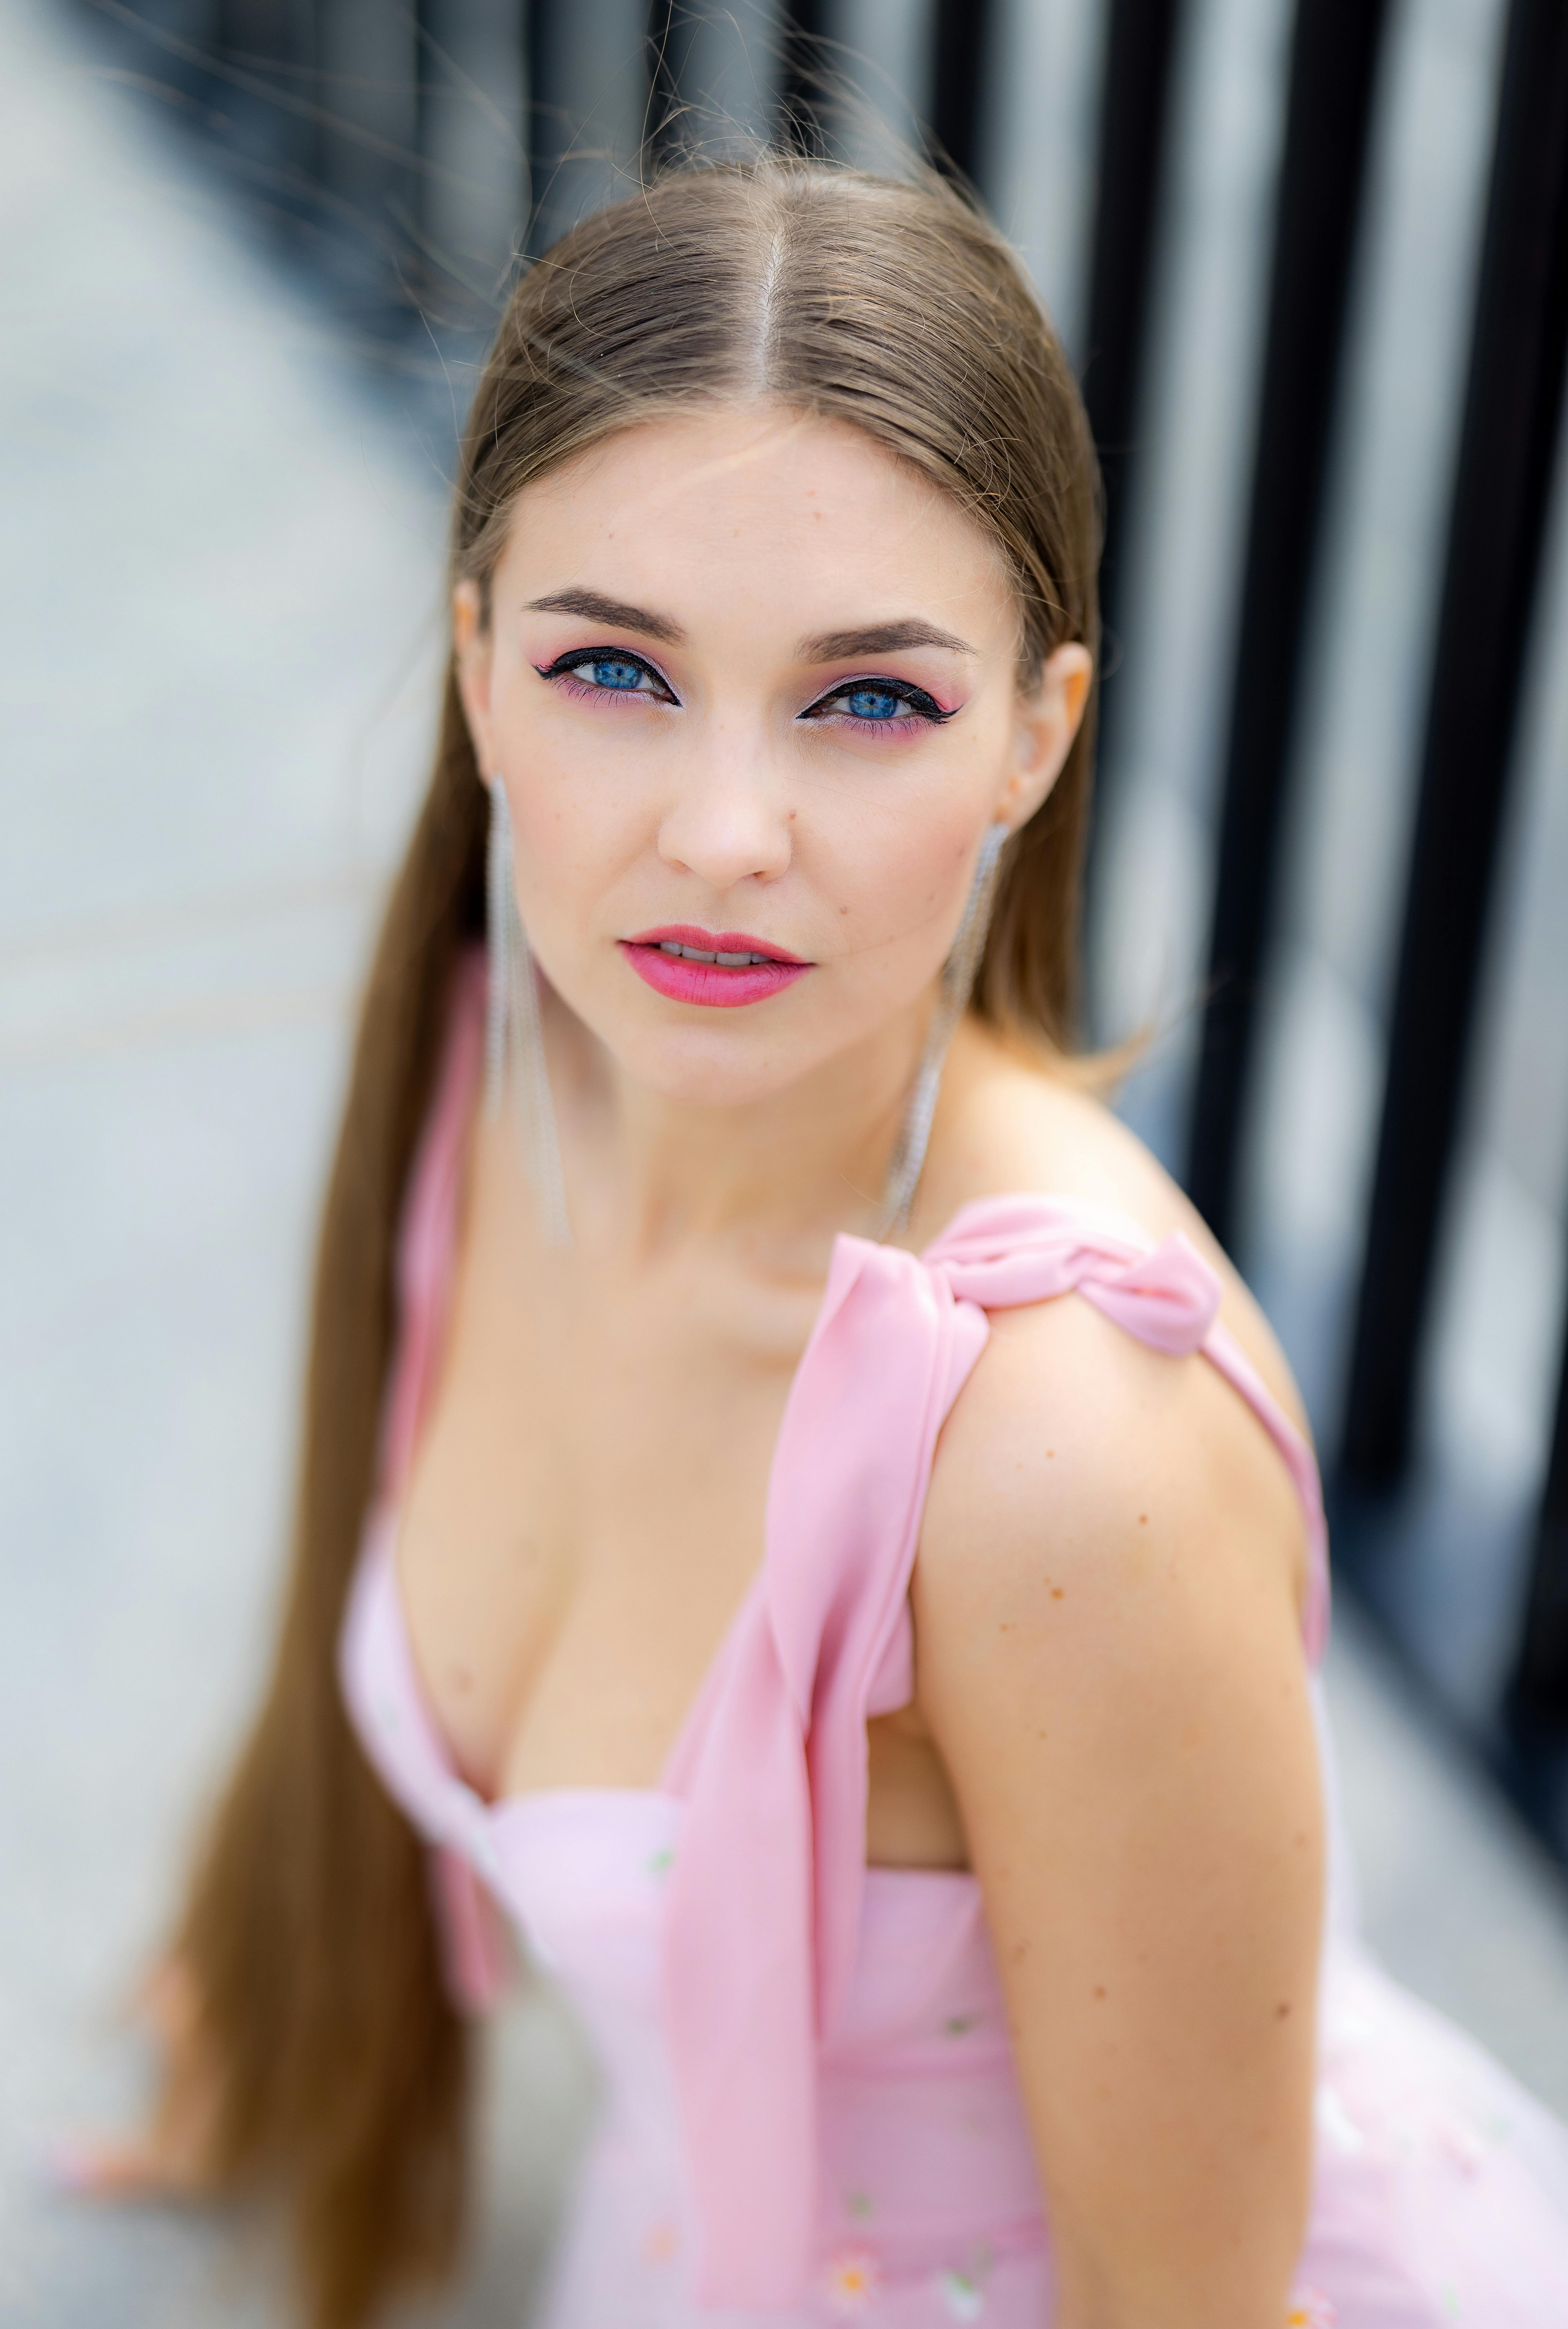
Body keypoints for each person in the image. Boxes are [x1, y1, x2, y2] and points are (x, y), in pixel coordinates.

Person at [70, 153, 1568, 2329]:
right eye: (613, 670)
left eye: (869, 701)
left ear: (1035, 742)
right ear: (477, 667)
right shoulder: (519, 1056)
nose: (720, 836)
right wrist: (279, 1970)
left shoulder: (1065, 1453)